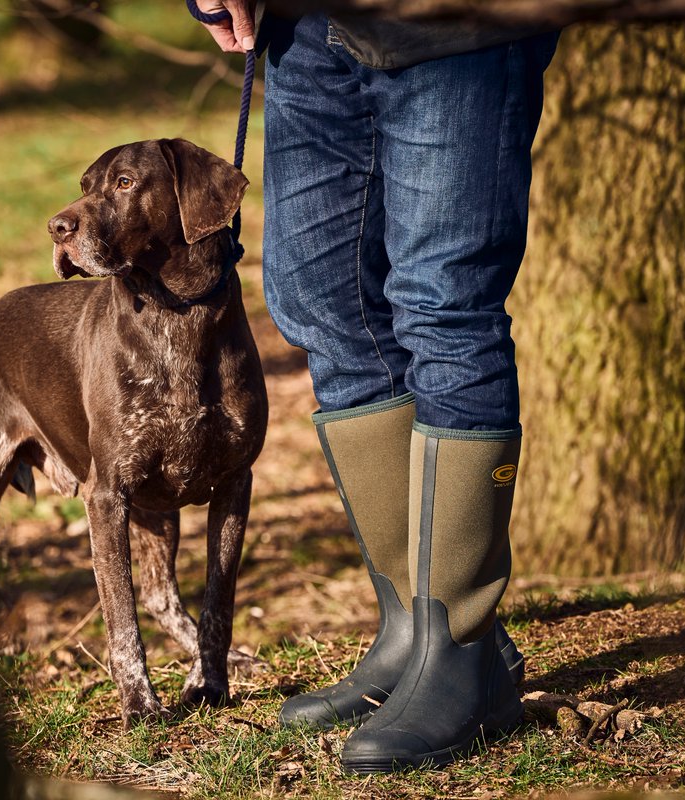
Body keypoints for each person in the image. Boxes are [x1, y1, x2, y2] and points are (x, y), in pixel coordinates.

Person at [195, 1, 560, 774]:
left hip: (459, 21)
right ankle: (408, 630)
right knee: (322, 299)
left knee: (444, 304)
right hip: (306, 25)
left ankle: (459, 648)